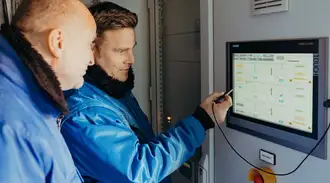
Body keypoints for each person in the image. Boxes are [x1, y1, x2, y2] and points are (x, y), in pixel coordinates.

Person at [61, 2, 232, 183]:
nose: (131, 59)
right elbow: (139, 171)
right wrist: (201, 121)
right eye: (121, 51)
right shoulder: (85, 113)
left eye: (132, 48)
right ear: (91, 50)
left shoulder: (113, 90)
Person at [0, 0, 96, 182]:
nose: (91, 59)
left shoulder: (29, 99)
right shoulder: (15, 127)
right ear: (57, 42)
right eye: (88, 44)